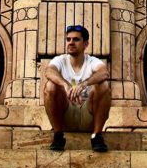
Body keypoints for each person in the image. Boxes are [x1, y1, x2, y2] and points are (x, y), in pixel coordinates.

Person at [43, 24, 112, 152]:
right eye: (68, 39)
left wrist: (83, 85)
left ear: (86, 44)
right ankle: (58, 135)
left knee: (104, 85)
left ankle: (96, 136)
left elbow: (104, 73)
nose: (71, 42)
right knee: (50, 86)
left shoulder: (92, 61)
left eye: (76, 39)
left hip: (88, 115)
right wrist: (66, 85)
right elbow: (49, 72)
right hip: (65, 114)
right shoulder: (60, 60)